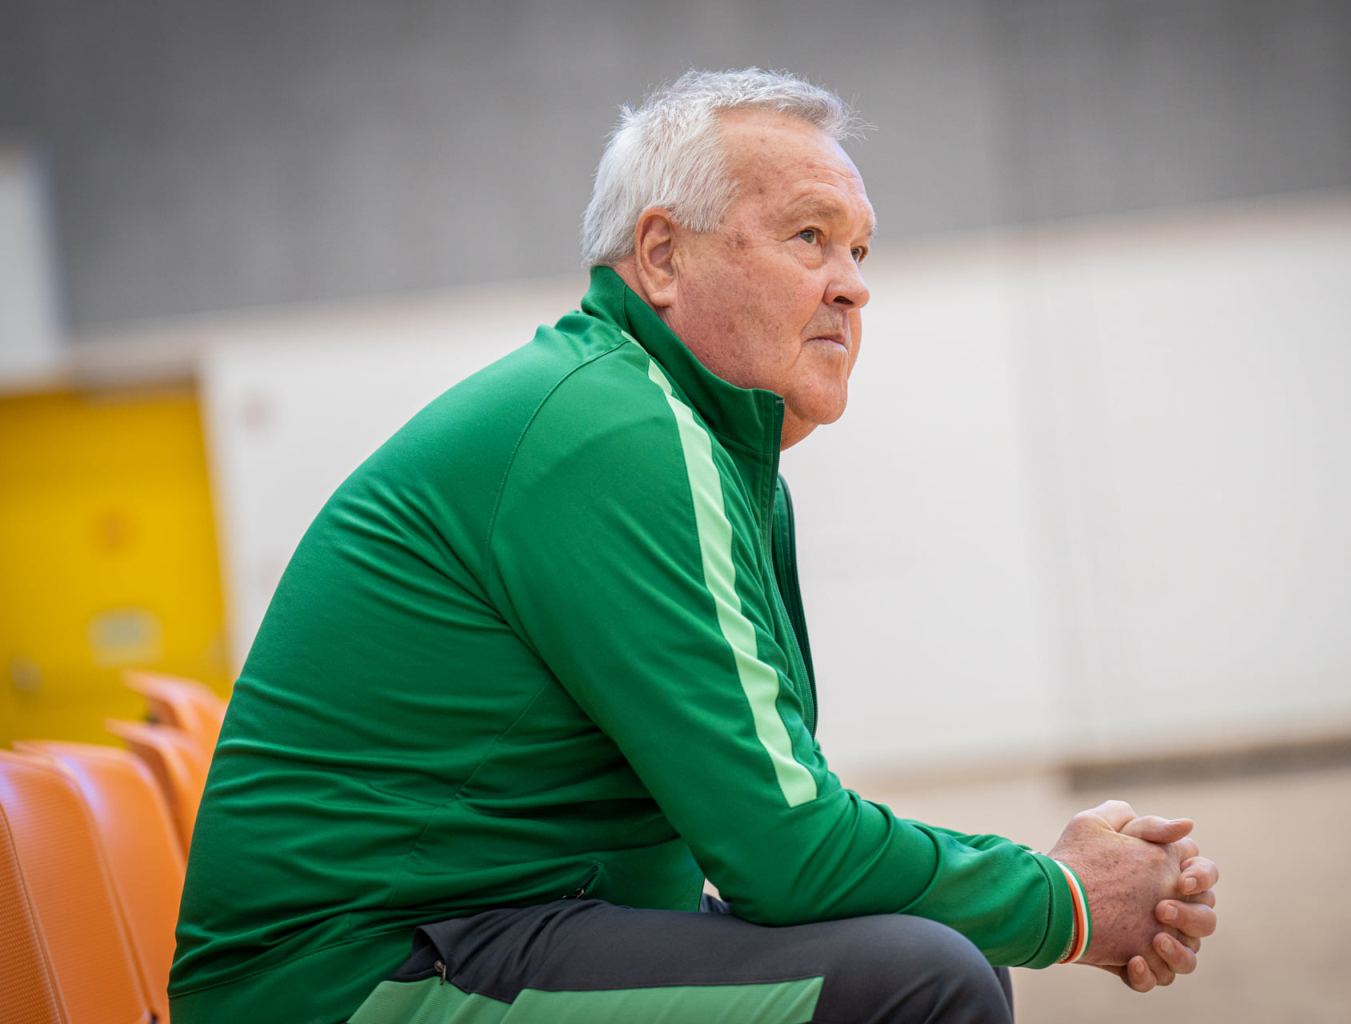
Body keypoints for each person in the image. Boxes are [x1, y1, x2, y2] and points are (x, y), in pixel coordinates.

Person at [170, 68, 1218, 1024]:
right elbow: (786, 851)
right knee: (922, 980)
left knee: (930, 953)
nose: (852, 284)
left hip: (477, 926)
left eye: (859, 250)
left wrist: (1040, 898)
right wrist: (1065, 899)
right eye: (808, 236)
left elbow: (775, 826)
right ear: (664, 256)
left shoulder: (673, 435)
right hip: (340, 980)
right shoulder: (613, 434)